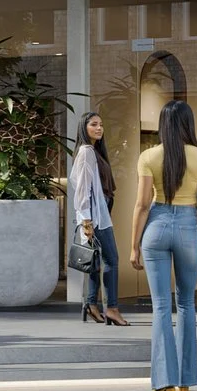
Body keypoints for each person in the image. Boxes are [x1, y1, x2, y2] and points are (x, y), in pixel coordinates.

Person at [130, 100, 197, 391]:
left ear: (163, 124)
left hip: (156, 225)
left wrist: (134, 246)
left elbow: (141, 205)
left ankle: (163, 385)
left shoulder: (149, 156)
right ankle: (186, 380)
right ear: (189, 123)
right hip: (189, 226)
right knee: (187, 304)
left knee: (161, 307)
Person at [69, 113, 127, 326]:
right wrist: (86, 221)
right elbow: (82, 188)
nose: (99, 128)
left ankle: (91, 305)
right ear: (84, 128)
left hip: (97, 214)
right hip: (95, 217)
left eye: (101, 125)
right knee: (111, 259)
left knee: (94, 260)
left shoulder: (93, 151)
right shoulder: (86, 152)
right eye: (94, 124)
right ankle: (111, 308)